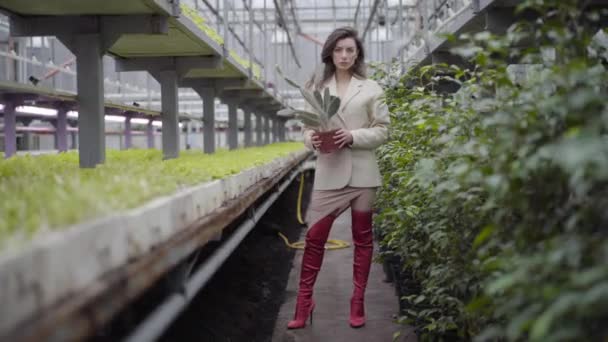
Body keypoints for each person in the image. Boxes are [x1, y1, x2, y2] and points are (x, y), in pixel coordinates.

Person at [287, 27, 390, 330]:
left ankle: (357, 302)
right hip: (329, 173)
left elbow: (384, 129)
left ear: (357, 54)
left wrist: (353, 135)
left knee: (363, 239)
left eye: (350, 50)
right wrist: (311, 141)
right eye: (339, 50)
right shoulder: (316, 87)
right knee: (315, 238)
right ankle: (304, 302)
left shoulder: (371, 88)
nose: (344, 55)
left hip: (362, 173)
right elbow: (305, 128)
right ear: (330, 53)